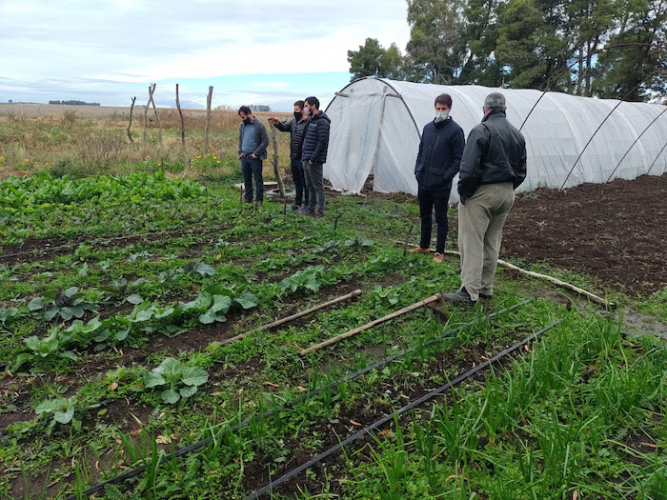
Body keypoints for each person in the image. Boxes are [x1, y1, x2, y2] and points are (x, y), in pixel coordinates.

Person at [444, 92, 527, 306]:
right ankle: (485, 288)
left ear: (484, 109)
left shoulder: (481, 131)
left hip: (482, 193)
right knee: (492, 241)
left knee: (472, 242)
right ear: (505, 110)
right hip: (507, 193)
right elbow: (522, 170)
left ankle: (468, 293)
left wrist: (465, 193)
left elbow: (468, 168)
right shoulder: (517, 135)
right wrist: (508, 187)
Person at [411, 93, 465, 264]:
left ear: (449, 109)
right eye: (438, 108)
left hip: (441, 183)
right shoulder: (428, 128)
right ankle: (424, 245)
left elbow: (459, 158)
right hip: (424, 179)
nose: (440, 111)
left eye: (444, 108)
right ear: (434, 107)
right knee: (424, 214)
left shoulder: (455, 131)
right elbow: (421, 151)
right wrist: (418, 170)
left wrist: (446, 176)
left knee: (440, 217)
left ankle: (439, 251)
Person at [268, 101, 309, 210]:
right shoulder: (294, 122)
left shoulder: (308, 123)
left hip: (303, 157)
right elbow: (284, 128)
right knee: (297, 181)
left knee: (305, 182)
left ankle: (308, 204)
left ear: (302, 110)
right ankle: (298, 202)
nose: (294, 112)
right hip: (294, 156)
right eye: (294, 110)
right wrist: (277, 123)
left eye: (296, 110)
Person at [300, 96, 331, 217]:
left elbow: (322, 141)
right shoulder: (310, 120)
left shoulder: (323, 122)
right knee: (309, 185)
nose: (305, 109)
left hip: (314, 160)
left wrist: (314, 158)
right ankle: (310, 208)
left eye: (307, 106)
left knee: (318, 186)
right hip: (306, 157)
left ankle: (320, 211)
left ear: (313, 106)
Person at [238, 106, 270, 205]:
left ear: (249, 114)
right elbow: (240, 139)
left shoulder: (259, 126)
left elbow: (265, 141)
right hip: (244, 156)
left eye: (243, 117)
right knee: (246, 179)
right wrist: (240, 152)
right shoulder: (242, 126)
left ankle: (258, 200)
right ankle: (248, 198)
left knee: (257, 179)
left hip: (254, 157)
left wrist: (256, 153)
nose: (242, 119)